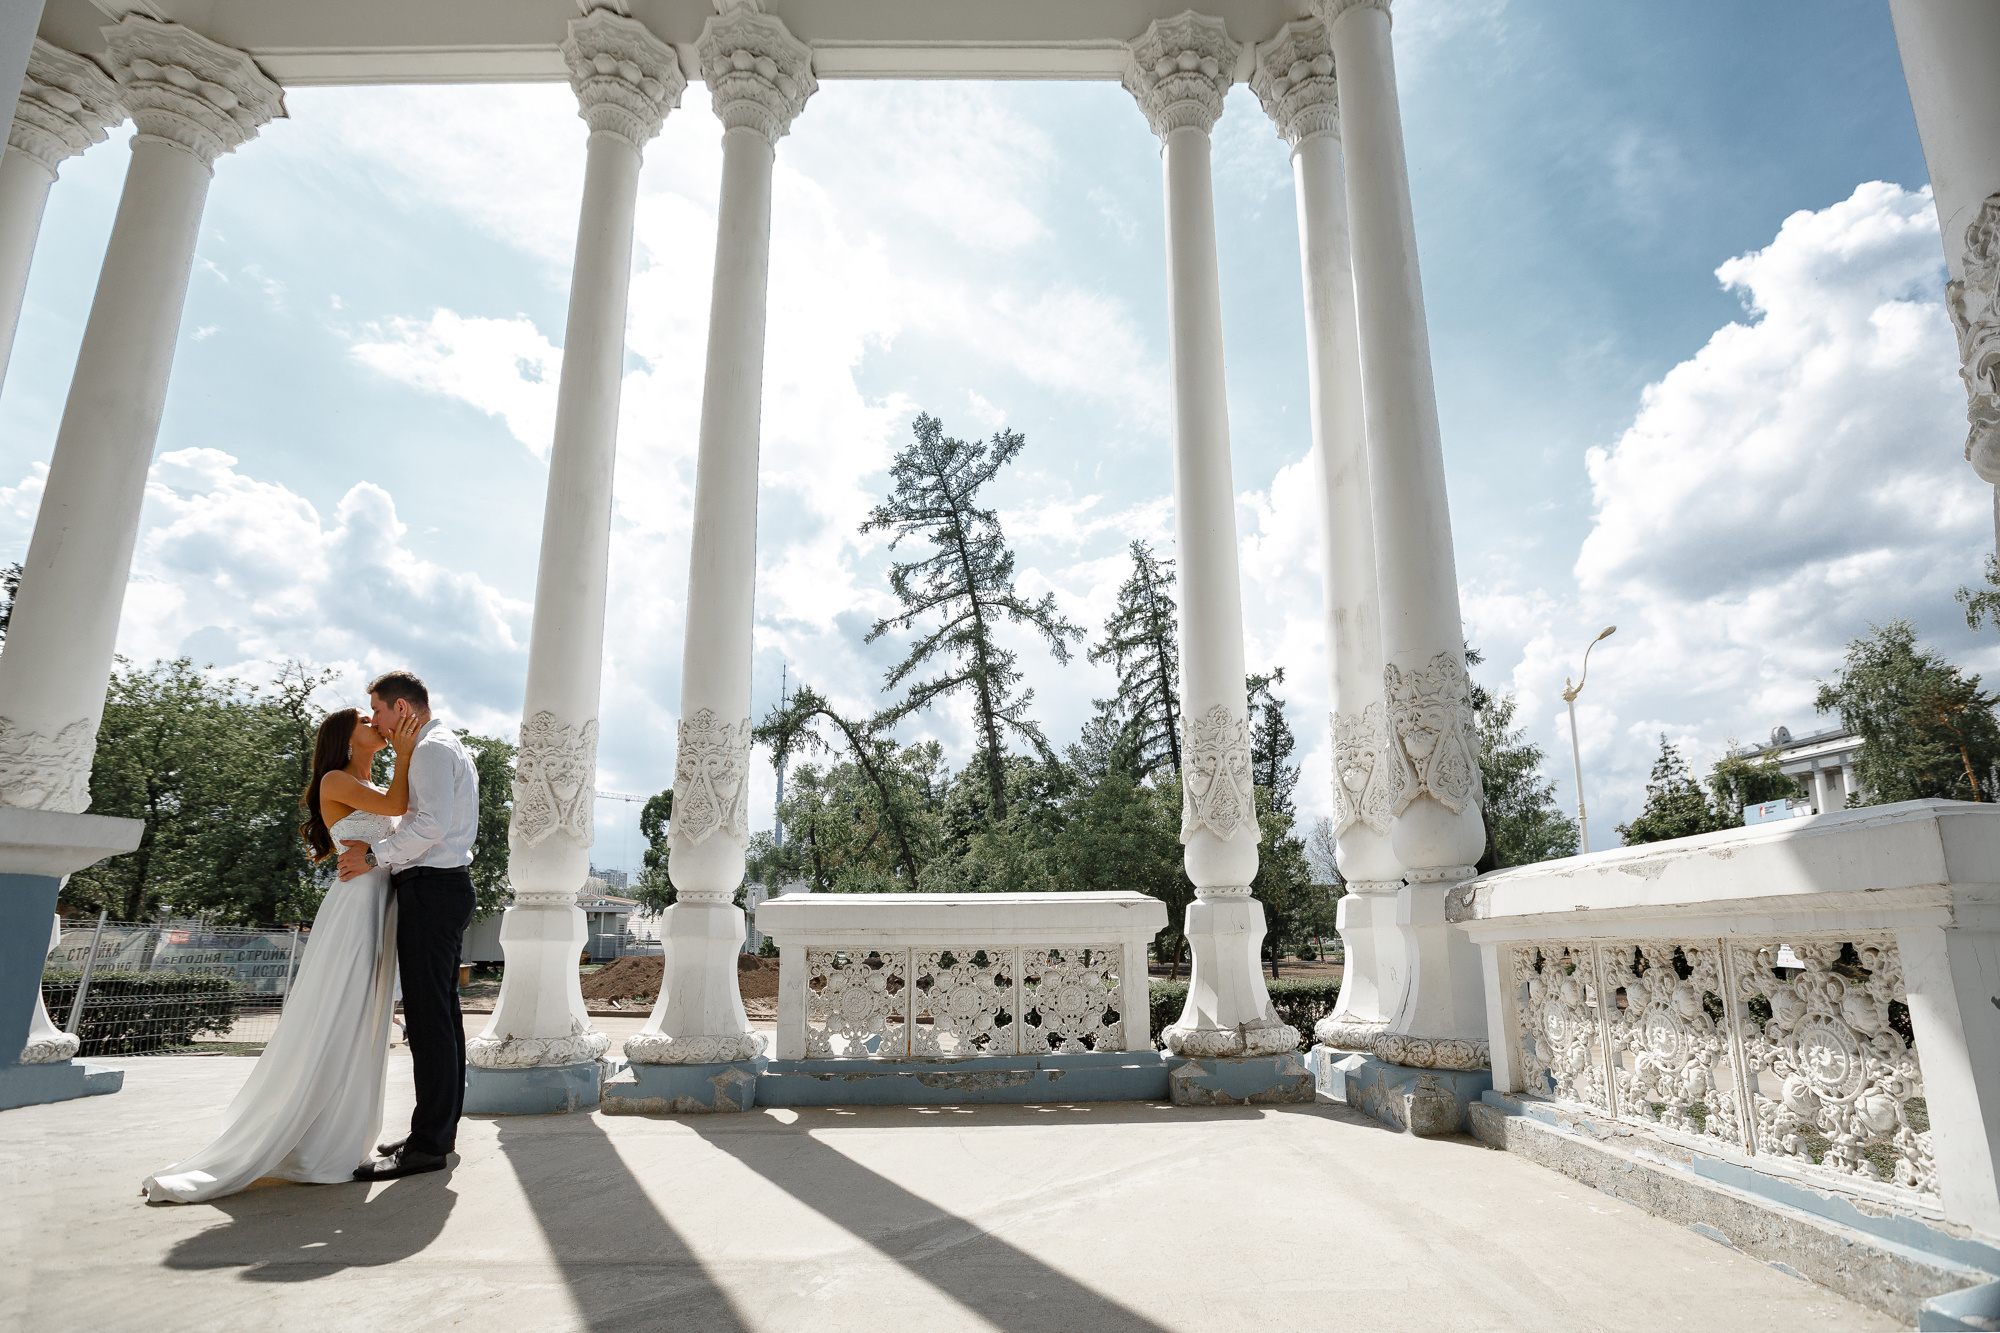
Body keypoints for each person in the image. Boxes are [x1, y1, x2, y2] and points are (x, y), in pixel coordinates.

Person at [143, 706, 420, 1203]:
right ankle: (305, 1136)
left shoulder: (365, 779)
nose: (375, 723)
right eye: (365, 719)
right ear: (346, 737)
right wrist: (404, 748)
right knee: (339, 1009)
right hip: (357, 905)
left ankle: (336, 1131)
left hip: (382, 902)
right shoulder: (336, 779)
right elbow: (398, 800)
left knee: (364, 1017)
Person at [337, 670, 480, 1181]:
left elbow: (430, 827)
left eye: (376, 709)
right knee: (439, 1018)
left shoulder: (433, 749)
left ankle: (428, 1144)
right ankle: (435, 1132)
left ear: (401, 708)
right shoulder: (438, 746)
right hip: (435, 888)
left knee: (429, 1021)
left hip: (431, 889)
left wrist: (373, 855)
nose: (374, 719)